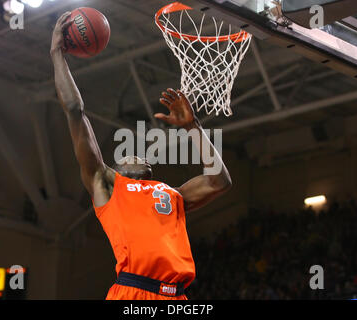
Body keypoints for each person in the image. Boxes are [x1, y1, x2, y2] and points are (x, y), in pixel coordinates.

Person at [50, 12, 232, 300]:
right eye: (130, 154)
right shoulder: (107, 185)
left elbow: (219, 182)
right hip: (134, 292)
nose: (139, 155)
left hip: (177, 297)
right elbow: (74, 111)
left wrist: (193, 128)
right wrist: (57, 53)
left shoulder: (172, 196)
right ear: (117, 168)